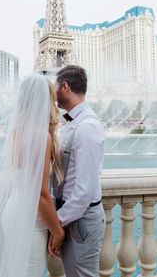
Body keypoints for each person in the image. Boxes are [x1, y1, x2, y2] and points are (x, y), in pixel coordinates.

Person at [0, 73, 64, 277]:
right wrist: (58, 231)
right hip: (31, 218)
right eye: (51, 99)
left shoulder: (17, 131)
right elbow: (41, 194)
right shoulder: (40, 136)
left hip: (12, 211)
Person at [49, 65, 106, 277]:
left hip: (80, 220)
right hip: (73, 216)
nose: (53, 92)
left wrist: (56, 223)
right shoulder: (75, 123)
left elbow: (84, 191)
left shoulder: (87, 127)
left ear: (64, 87)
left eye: (55, 86)